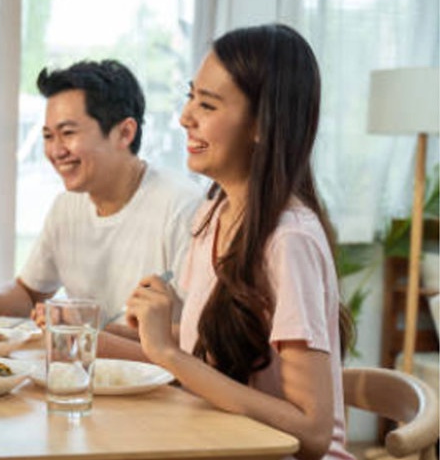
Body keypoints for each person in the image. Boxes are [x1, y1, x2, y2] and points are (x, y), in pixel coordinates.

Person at [125, 23, 354, 459]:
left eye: (207, 104)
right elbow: (215, 347)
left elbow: (312, 433)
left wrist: (168, 353)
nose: (185, 116)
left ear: (262, 125)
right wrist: (140, 334)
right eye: (191, 96)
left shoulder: (290, 240)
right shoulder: (216, 213)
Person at [0, 60, 201, 326]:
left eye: (68, 133)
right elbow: (31, 294)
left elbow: (199, 337)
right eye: (48, 136)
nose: (56, 151)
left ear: (124, 133)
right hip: (88, 367)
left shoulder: (182, 209)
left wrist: (86, 328)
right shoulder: (67, 206)